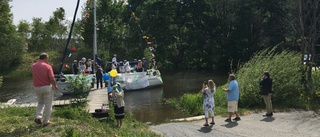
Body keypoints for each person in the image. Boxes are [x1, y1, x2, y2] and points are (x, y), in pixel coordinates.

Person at [31, 52, 58, 127]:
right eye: (47, 59)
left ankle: (38, 117)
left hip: (36, 87)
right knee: (48, 104)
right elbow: (51, 78)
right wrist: (55, 85)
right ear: (45, 58)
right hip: (46, 87)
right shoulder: (48, 66)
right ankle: (46, 121)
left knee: (40, 102)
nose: (48, 60)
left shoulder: (33, 66)